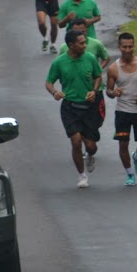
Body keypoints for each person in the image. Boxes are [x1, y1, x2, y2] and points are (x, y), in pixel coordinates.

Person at [44, 28, 105, 188]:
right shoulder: (59, 62)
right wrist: (55, 92)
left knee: (91, 146)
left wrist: (94, 90)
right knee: (76, 141)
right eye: (82, 43)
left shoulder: (90, 58)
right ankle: (82, 175)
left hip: (89, 107)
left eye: (85, 42)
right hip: (70, 107)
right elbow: (49, 82)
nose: (85, 45)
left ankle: (90, 155)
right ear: (71, 45)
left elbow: (98, 76)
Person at [106, 31, 137, 187]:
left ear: (134, 46)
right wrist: (114, 92)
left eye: (130, 46)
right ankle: (129, 174)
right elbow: (108, 90)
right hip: (122, 112)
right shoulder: (113, 68)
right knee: (123, 144)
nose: (127, 50)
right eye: (124, 47)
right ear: (119, 47)